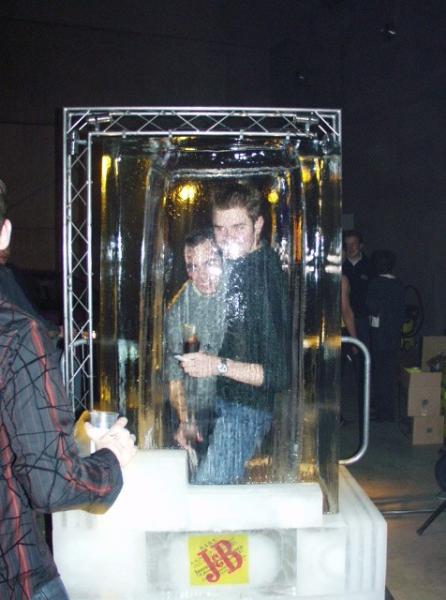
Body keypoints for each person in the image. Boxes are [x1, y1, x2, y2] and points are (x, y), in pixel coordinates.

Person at [0, 184, 137, 599]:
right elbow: (50, 483)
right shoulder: (17, 335)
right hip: (16, 574)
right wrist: (110, 460)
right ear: (5, 233)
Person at [178, 183, 290, 484]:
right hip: (219, 403)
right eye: (220, 229)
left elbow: (279, 375)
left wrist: (217, 365)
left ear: (258, 225)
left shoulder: (264, 280)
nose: (227, 238)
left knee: (207, 492)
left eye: (238, 228)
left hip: (245, 412)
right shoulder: (234, 266)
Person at [165, 229, 226, 470]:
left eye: (209, 263)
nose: (201, 275)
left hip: (239, 403)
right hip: (201, 410)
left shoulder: (235, 294)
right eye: (193, 266)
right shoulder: (178, 310)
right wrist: (185, 420)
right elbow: (173, 376)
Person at [366, 250, 405, 422]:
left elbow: (372, 307)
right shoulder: (398, 284)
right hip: (394, 335)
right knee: (389, 374)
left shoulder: (375, 284)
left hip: (379, 335)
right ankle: (388, 411)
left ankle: (383, 412)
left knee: (379, 374)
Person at [342, 229, 372, 348]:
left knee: (364, 351)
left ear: (361, 245)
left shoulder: (371, 266)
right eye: (347, 244)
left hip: (364, 319)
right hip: (343, 320)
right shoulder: (340, 267)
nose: (350, 247)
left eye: (353, 243)